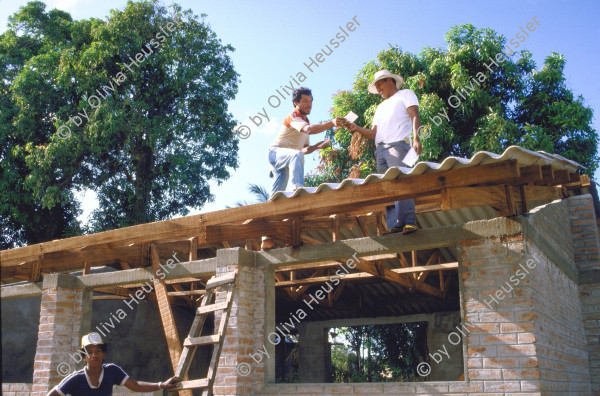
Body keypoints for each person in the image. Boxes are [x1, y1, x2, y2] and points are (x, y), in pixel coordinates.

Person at [344, 70, 422, 234]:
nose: (378, 89)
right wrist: (355, 128)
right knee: (387, 187)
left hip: (399, 146)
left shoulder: (405, 94)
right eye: (376, 87)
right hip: (380, 150)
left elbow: (414, 115)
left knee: (401, 181)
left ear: (389, 81)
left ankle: (408, 222)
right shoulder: (380, 107)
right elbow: (373, 133)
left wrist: (416, 138)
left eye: (379, 85)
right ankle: (395, 225)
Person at [267, 87, 345, 197]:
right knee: (296, 155)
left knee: (276, 197)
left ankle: (270, 211)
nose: (308, 104)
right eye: (304, 101)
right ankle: (297, 189)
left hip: (286, 161)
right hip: (275, 153)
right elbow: (309, 130)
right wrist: (332, 123)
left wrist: (316, 146)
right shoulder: (292, 117)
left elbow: (304, 149)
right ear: (296, 103)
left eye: (310, 101)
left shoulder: (305, 122)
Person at [48, 332, 180, 396]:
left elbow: (136, 385)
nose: (94, 355)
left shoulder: (112, 371)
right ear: (83, 357)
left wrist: (162, 385)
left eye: (98, 351)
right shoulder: (76, 379)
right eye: (89, 352)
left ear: (103, 354)